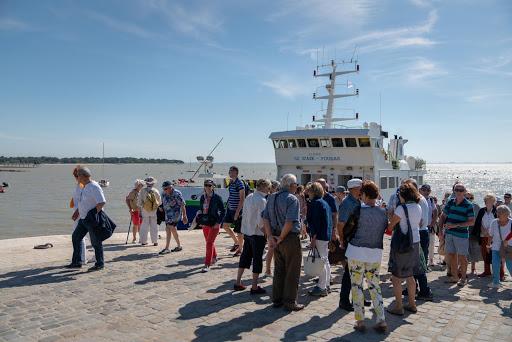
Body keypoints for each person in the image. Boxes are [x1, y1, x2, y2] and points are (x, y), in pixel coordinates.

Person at [346, 180, 388, 333]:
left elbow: (347, 230)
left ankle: (360, 320)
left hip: (356, 252)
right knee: (374, 285)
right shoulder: (383, 213)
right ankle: (381, 319)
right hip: (374, 253)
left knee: (357, 286)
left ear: (364, 194)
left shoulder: (358, 210)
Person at [262, 174, 303, 311]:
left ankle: (277, 299)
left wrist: (270, 237)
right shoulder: (292, 199)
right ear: (292, 185)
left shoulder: (272, 197)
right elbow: (289, 222)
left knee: (279, 269)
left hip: (275, 236)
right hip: (289, 238)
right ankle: (290, 301)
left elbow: (265, 218)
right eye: (296, 184)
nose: (297, 187)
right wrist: (281, 237)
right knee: (292, 270)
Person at [386, 182, 422, 316]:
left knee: (396, 277)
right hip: (415, 242)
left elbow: (391, 226)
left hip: (402, 244)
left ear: (403, 195)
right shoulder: (418, 207)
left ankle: (399, 306)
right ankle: (412, 304)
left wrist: (389, 218)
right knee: (410, 276)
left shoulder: (401, 209)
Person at [234, 179, 271, 294]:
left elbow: (244, 215)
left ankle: (238, 281)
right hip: (257, 234)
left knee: (245, 256)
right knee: (257, 259)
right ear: (264, 187)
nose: (269, 191)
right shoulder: (262, 200)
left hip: (248, 232)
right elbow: (261, 222)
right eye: (268, 188)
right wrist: (268, 234)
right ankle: (254, 286)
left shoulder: (249, 197)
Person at [68, 166, 106, 272]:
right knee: (76, 237)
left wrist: (93, 213)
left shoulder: (94, 186)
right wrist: (77, 212)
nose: (77, 177)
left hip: (91, 219)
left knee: (96, 241)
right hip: (83, 218)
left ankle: (100, 263)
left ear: (83, 176)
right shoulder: (84, 186)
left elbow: (102, 202)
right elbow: (83, 203)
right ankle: (77, 262)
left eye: (78, 175)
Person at [439, 183, 475, 286]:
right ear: (454, 191)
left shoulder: (468, 205)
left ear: (464, 192)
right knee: (451, 256)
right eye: (457, 189)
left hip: (462, 235)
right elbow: (442, 216)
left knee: (462, 257)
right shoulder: (450, 202)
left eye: (461, 190)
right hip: (449, 234)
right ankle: (455, 277)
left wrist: (456, 225)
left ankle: (463, 278)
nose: (459, 192)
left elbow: (471, 222)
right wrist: (440, 231)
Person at [336, 178, 363, 311]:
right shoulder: (347, 204)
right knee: (349, 272)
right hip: (350, 241)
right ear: (355, 188)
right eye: (360, 187)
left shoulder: (356, 201)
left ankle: (357, 298)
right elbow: (340, 224)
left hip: (356, 240)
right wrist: (342, 240)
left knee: (357, 271)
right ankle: (344, 300)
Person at [306, 182, 332, 297]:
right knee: (324, 260)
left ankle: (321, 287)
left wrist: (313, 238)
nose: (307, 193)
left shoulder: (315, 203)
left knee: (320, 260)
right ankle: (326, 284)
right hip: (325, 235)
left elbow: (315, 222)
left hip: (319, 236)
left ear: (313, 191)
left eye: (309, 191)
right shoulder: (324, 203)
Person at [198, 179, 226, 273]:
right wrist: (200, 220)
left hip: (214, 224)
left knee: (209, 243)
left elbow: (223, 211)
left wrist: (218, 222)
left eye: (210, 185)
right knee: (209, 242)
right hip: (205, 223)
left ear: (213, 186)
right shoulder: (202, 197)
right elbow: (201, 209)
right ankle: (214, 257)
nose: (208, 187)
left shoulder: (217, 197)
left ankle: (207, 264)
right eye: (206, 185)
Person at [159, 181, 188, 255]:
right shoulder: (163, 193)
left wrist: (184, 216)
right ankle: (176, 246)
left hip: (175, 214)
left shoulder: (177, 194)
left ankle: (168, 247)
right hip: (167, 214)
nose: (165, 190)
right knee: (169, 229)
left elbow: (182, 205)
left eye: (166, 189)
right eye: (164, 189)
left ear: (171, 187)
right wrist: (161, 207)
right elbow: (162, 203)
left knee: (170, 227)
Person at [223, 166, 246, 256]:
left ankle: (240, 249)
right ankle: (236, 243)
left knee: (239, 231)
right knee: (225, 226)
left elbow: (242, 199)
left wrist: (237, 212)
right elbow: (231, 195)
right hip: (230, 209)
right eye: (230, 172)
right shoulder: (231, 182)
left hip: (238, 211)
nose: (230, 173)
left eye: (232, 172)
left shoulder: (239, 183)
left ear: (236, 173)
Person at [487, 205, 512, 288]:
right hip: (496, 247)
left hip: (509, 248)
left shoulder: (511, 222)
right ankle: (496, 282)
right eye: (498, 213)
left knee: (510, 265)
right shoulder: (494, 222)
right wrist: (488, 245)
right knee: (495, 264)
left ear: (507, 214)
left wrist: (507, 241)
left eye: (502, 214)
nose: (499, 215)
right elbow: (490, 235)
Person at [473, 194, 497, 278]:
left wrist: (490, 232)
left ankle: (499, 273)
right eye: (486, 201)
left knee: (495, 254)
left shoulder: (496, 211)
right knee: (485, 254)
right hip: (483, 235)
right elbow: (478, 222)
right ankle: (487, 272)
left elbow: (498, 223)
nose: (488, 202)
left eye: (490, 201)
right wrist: (483, 230)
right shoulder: (482, 210)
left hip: (494, 237)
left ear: (493, 202)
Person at [137, 177, 162, 246]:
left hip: (145, 210)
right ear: (153, 183)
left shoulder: (142, 191)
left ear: (146, 183)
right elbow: (159, 202)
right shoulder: (156, 191)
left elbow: (139, 203)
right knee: (154, 226)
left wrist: (139, 212)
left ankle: (143, 241)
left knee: (144, 226)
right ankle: (155, 241)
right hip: (154, 210)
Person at [70, 166, 87, 265]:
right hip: (79, 212)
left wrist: (76, 213)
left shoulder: (81, 186)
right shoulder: (80, 185)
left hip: (80, 213)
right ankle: (82, 258)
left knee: (79, 237)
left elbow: (82, 202)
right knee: (83, 236)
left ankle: (81, 259)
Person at [264, 180, 281, 277]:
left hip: (270, 227)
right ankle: (268, 270)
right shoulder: (271, 198)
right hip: (271, 227)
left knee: (273, 249)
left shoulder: (269, 197)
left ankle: (270, 269)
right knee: (272, 249)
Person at [465, 192, 481, 274]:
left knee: (474, 248)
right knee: (465, 249)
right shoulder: (462, 205)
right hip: (464, 228)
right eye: (467, 198)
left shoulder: (476, 206)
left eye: (471, 198)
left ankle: (473, 268)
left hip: (474, 229)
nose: (469, 200)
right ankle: (465, 267)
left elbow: (479, 219)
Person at [125, 179, 145, 243]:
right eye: (140, 185)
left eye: (142, 185)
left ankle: (141, 238)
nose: (142, 186)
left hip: (141, 211)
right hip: (135, 210)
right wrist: (130, 209)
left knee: (141, 225)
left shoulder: (142, 192)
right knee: (136, 224)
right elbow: (127, 199)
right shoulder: (133, 192)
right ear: (137, 186)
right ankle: (134, 238)